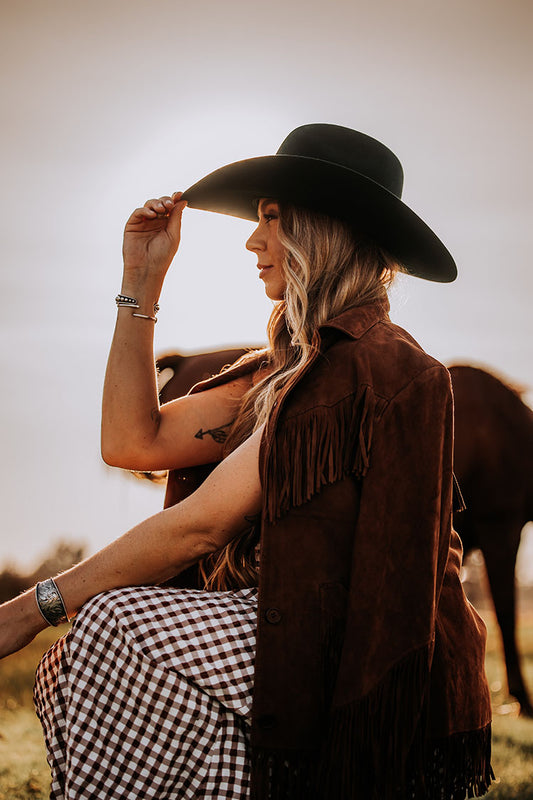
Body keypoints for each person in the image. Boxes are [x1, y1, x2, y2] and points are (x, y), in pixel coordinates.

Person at [0, 124, 493, 799]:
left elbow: (199, 525)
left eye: (269, 218)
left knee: (119, 625)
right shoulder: (282, 372)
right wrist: (139, 280)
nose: (252, 241)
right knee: (101, 650)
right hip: (284, 627)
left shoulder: (375, 367)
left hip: (359, 651)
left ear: (320, 228)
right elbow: (131, 441)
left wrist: (29, 609)